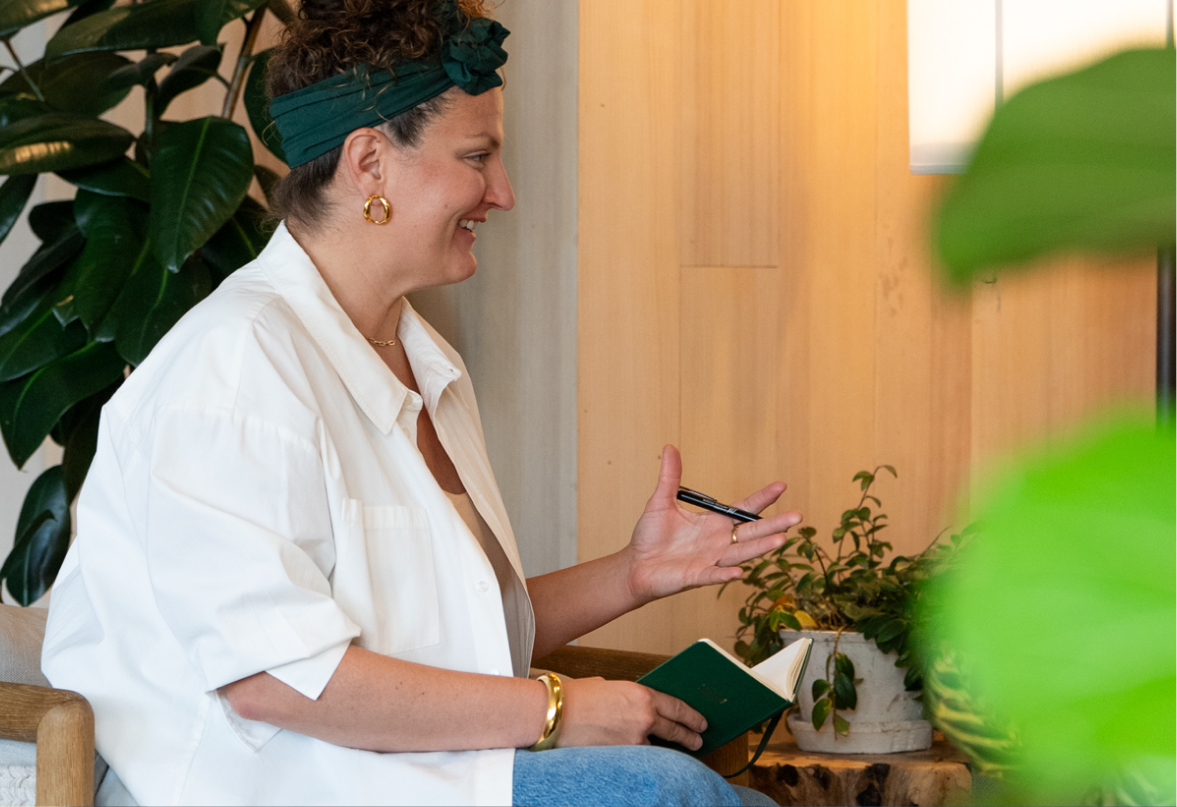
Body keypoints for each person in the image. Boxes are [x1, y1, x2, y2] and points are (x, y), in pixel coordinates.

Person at [41, 1, 802, 804]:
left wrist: (632, 574)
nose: (501, 194)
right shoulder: (235, 363)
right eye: (477, 156)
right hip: (271, 786)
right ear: (368, 163)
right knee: (666, 792)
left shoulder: (421, 356)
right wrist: (555, 706)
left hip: (411, 772)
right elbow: (274, 680)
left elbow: (448, 633)